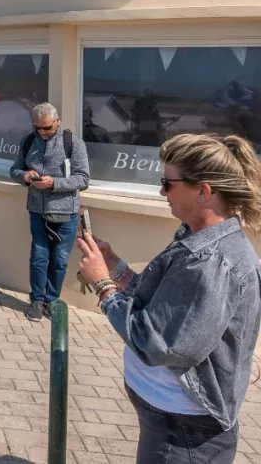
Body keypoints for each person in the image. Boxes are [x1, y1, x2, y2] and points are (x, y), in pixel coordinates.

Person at [77, 133, 261, 463]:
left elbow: (158, 342)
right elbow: (163, 307)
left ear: (203, 191)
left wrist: (103, 287)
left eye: (168, 183)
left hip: (183, 434)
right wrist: (116, 267)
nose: (161, 192)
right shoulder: (197, 239)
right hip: (173, 423)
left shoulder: (211, 262)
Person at [9, 102, 90, 321]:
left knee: (60, 260)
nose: (43, 133)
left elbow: (83, 179)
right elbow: (14, 169)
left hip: (66, 212)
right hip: (37, 210)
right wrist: (25, 177)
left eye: (47, 128)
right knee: (38, 257)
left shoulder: (73, 143)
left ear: (58, 121)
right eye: (38, 128)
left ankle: (51, 300)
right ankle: (36, 300)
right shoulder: (28, 141)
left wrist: (54, 183)